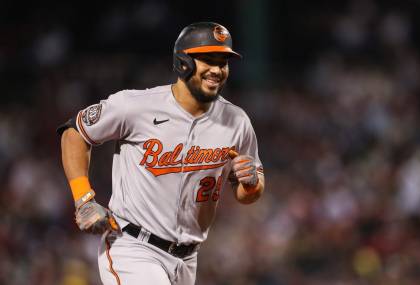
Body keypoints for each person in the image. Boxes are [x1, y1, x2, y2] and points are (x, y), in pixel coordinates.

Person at [58, 22, 265, 285]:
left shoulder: (236, 121)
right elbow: (74, 132)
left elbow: (250, 192)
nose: (217, 69)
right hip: (132, 247)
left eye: (223, 61)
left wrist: (250, 184)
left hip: (187, 259)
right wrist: (83, 199)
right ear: (183, 62)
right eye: (208, 60)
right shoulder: (136, 106)